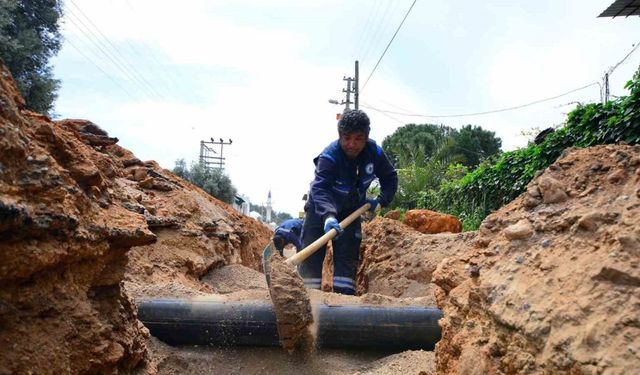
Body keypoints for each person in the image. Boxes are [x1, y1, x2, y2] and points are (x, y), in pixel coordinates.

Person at [300, 109, 398, 295]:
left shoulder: (374, 153)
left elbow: (390, 178)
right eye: (347, 138)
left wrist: (381, 200)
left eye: (358, 139)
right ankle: (308, 304)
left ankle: (343, 308)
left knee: (347, 260)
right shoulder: (329, 156)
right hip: (319, 211)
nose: (352, 144)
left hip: (351, 211)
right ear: (340, 136)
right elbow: (319, 189)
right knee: (311, 261)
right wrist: (328, 216)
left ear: (366, 137)